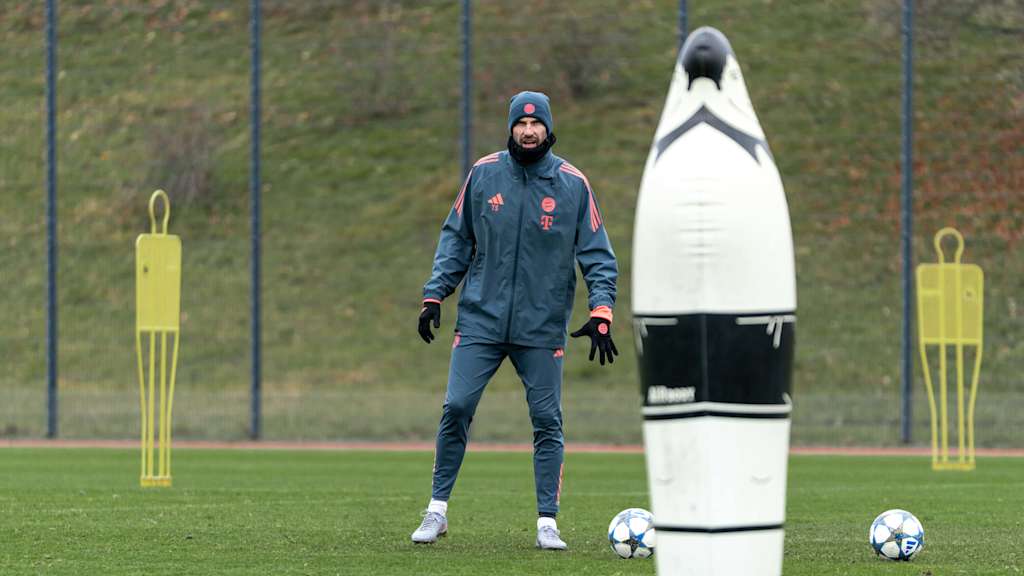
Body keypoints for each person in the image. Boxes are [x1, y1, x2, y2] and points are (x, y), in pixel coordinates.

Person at [411, 91, 618, 550]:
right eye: (521, 124)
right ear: (511, 128)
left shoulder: (573, 185)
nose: (528, 131)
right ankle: (437, 511)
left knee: (546, 420)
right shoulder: (484, 174)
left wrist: (601, 310)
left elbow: (598, 256)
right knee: (456, 407)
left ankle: (547, 522)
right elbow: (456, 238)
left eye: (536, 124)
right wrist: (435, 294)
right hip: (480, 320)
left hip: (541, 327)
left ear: (548, 128)